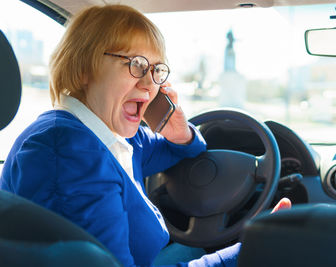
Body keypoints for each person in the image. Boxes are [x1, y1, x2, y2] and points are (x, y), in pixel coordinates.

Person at [0, 4, 291, 267]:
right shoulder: (69, 152)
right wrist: (248, 253)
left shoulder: (112, 136)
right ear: (83, 68)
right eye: (136, 64)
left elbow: (184, 150)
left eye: (156, 70)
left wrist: (179, 129)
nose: (150, 84)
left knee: (194, 248)